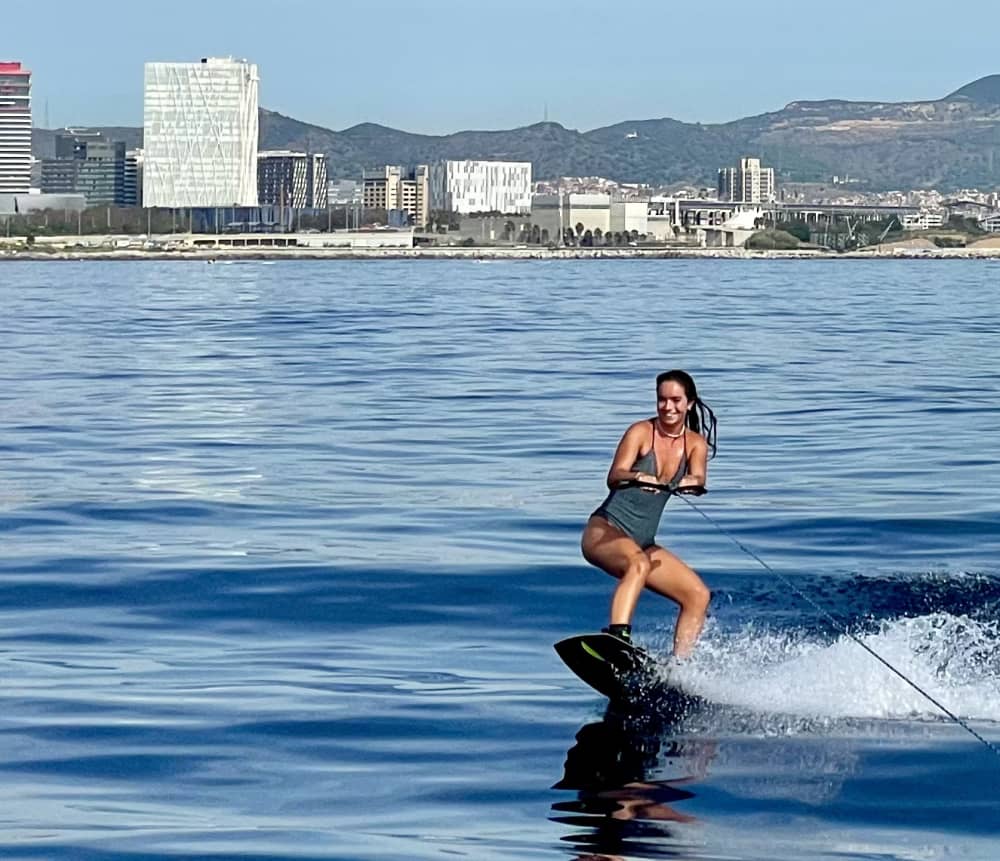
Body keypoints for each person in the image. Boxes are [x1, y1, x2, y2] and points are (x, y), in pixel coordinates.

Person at [581, 370, 717, 658]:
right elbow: (614, 476)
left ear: (690, 403)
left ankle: (679, 668)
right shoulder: (641, 432)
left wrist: (688, 483)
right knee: (638, 563)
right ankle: (617, 638)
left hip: (644, 542)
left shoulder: (695, 444)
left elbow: (699, 479)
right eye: (662, 400)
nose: (668, 407)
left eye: (676, 400)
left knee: (698, 595)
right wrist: (638, 476)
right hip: (604, 530)